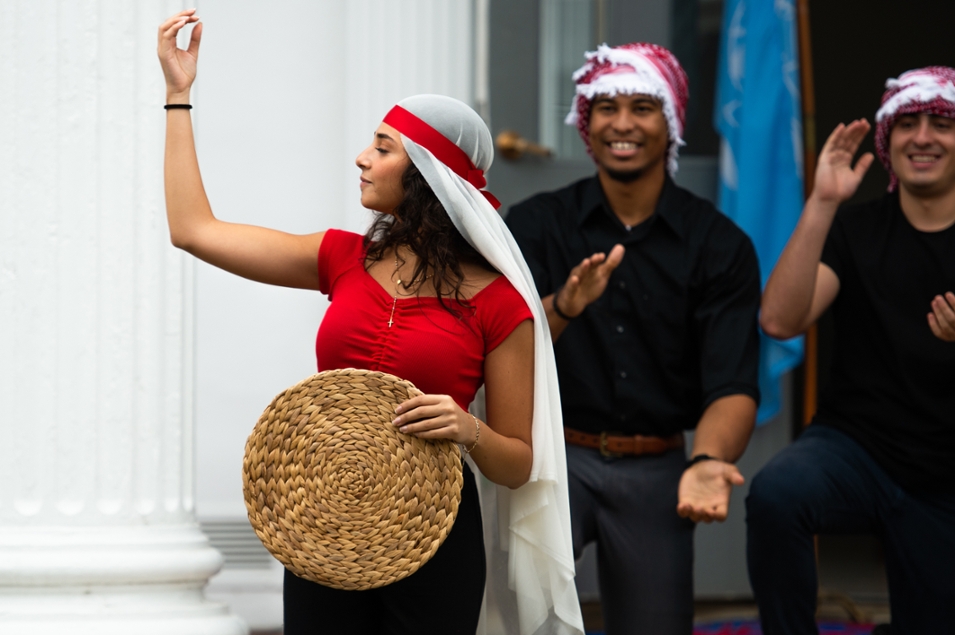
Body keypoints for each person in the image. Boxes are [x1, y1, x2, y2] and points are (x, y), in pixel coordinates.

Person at [157, 10, 584, 635]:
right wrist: (177, 95)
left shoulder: (500, 304)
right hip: (320, 518)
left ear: (427, 175)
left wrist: (469, 428)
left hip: (433, 531)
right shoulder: (340, 257)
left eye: (383, 147)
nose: (362, 158)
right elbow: (193, 230)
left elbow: (519, 462)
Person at [505, 43, 761, 634]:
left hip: (657, 467)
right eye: (605, 107)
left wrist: (708, 461)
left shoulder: (718, 244)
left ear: (670, 122)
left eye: (643, 107)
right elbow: (499, 349)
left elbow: (733, 382)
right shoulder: (536, 224)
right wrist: (564, 306)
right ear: (585, 124)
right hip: (549, 460)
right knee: (521, 622)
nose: (622, 123)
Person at [748, 66, 955, 635]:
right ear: (888, 141)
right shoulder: (856, 228)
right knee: (777, 494)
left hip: (945, 473)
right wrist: (821, 201)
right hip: (857, 448)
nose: (923, 137)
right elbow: (780, 319)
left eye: (941, 123)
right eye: (906, 123)